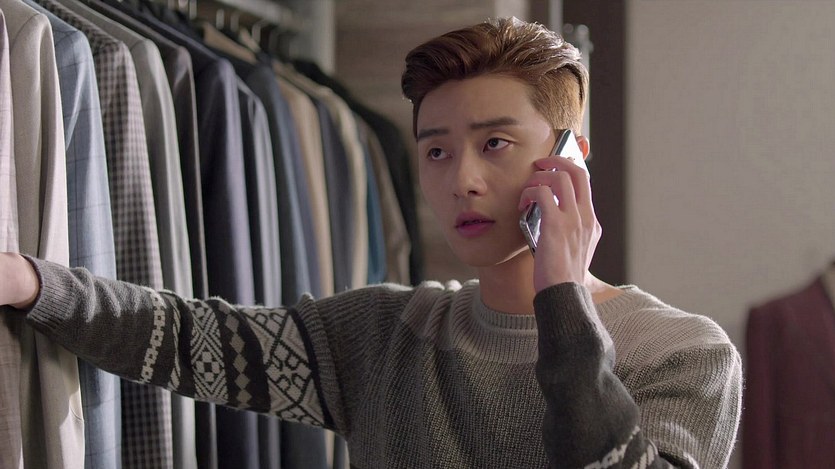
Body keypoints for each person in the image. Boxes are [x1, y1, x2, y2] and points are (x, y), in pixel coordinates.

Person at [0, 16, 741, 469]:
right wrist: (33, 283)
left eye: (494, 143)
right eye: (437, 151)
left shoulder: (684, 354)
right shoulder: (387, 335)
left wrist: (563, 300)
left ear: (569, 159)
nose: (462, 180)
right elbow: (193, 339)